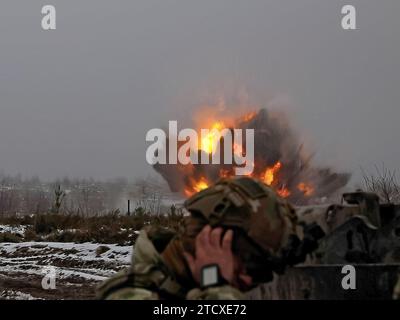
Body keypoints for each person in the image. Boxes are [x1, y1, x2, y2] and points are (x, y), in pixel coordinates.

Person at [96, 176, 323, 300]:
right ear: (212, 239)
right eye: (250, 264)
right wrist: (215, 281)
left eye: (260, 273)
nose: (247, 280)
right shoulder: (128, 293)